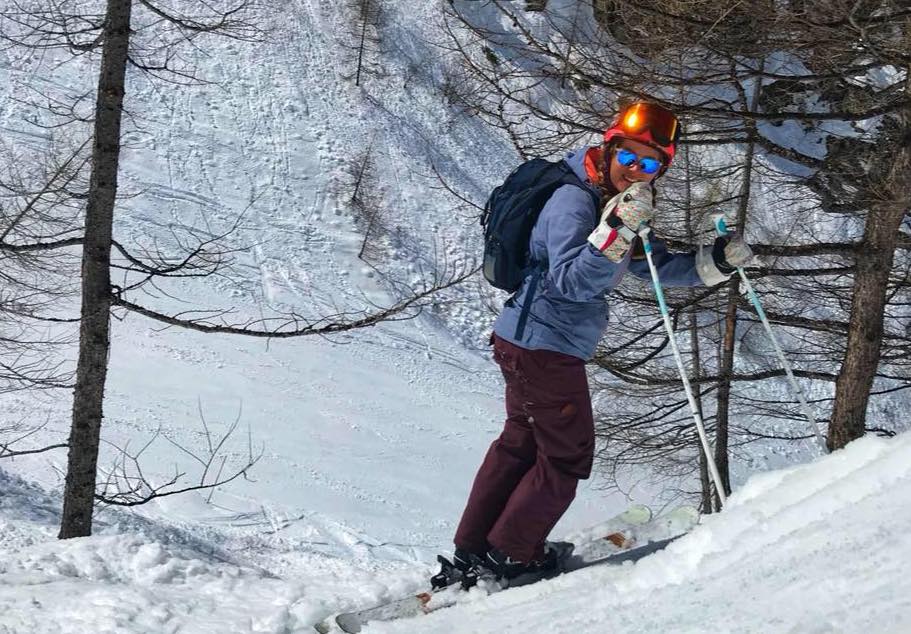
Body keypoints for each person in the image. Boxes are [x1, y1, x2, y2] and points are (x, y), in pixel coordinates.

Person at [450, 101, 753, 580]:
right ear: (610, 148)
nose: (636, 168)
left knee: (521, 444)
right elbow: (572, 280)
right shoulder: (575, 201)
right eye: (629, 156)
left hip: (526, 339)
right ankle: (511, 554)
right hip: (544, 347)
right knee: (566, 457)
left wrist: (713, 263)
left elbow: (645, 263)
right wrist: (618, 227)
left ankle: (475, 548)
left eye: (650, 163)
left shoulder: (611, 199)